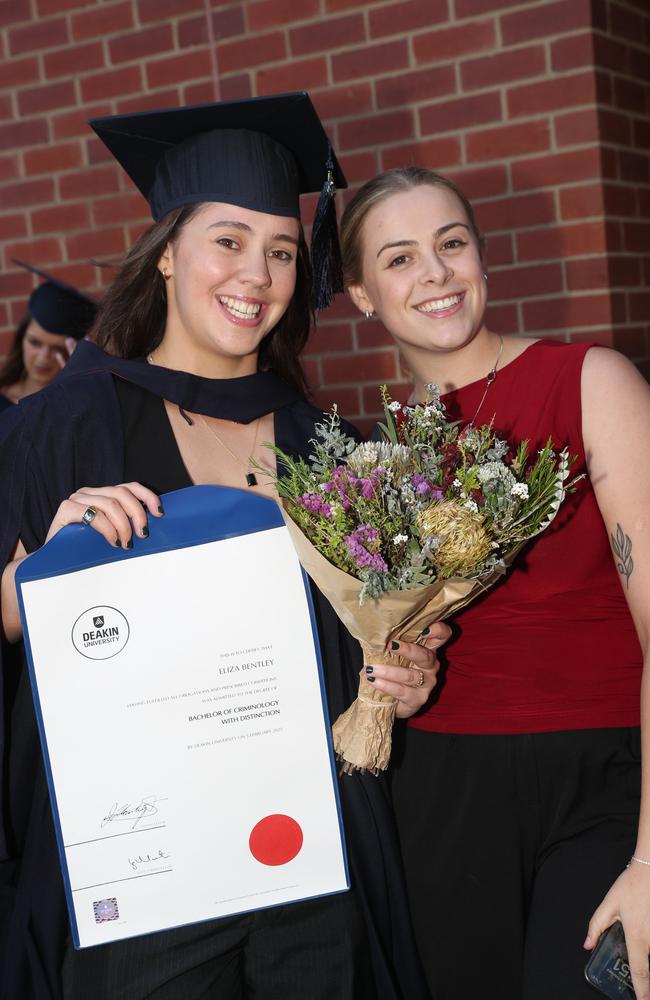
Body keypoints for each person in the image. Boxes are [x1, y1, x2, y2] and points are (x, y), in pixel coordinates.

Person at [0, 96, 448, 1000]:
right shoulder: (62, 428)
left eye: (282, 250)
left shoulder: (335, 450)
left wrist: (405, 673)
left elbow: (367, 651)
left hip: (312, 872)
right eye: (229, 240)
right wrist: (42, 569)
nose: (259, 273)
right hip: (145, 880)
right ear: (166, 250)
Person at [339, 166, 650, 1000]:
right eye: (400, 259)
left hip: (608, 778)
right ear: (363, 293)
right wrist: (398, 676)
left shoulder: (591, 382)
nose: (436, 274)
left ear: (481, 256)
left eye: (451, 244)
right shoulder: (376, 464)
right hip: (445, 791)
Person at [0, 263, 97, 411]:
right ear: (22, 338)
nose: (44, 357)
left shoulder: (76, 407)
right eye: (35, 343)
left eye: (57, 348)